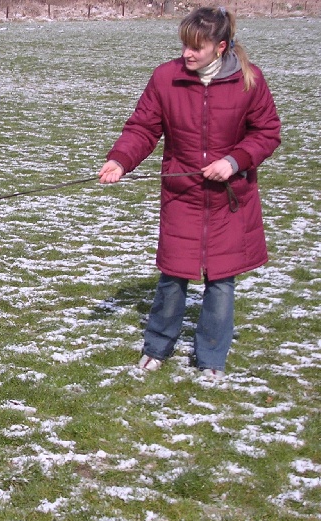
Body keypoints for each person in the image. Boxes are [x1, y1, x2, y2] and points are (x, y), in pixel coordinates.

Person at [98, 7, 281, 379]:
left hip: (231, 198)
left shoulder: (249, 80)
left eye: (196, 47)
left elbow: (266, 132)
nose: (187, 54)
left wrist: (234, 161)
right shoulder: (167, 78)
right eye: (184, 45)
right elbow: (143, 128)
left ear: (220, 47)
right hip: (182, 195)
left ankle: (211, 358)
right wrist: (120, 161)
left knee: (221, 282)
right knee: (172, 278)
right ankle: (157, 347)